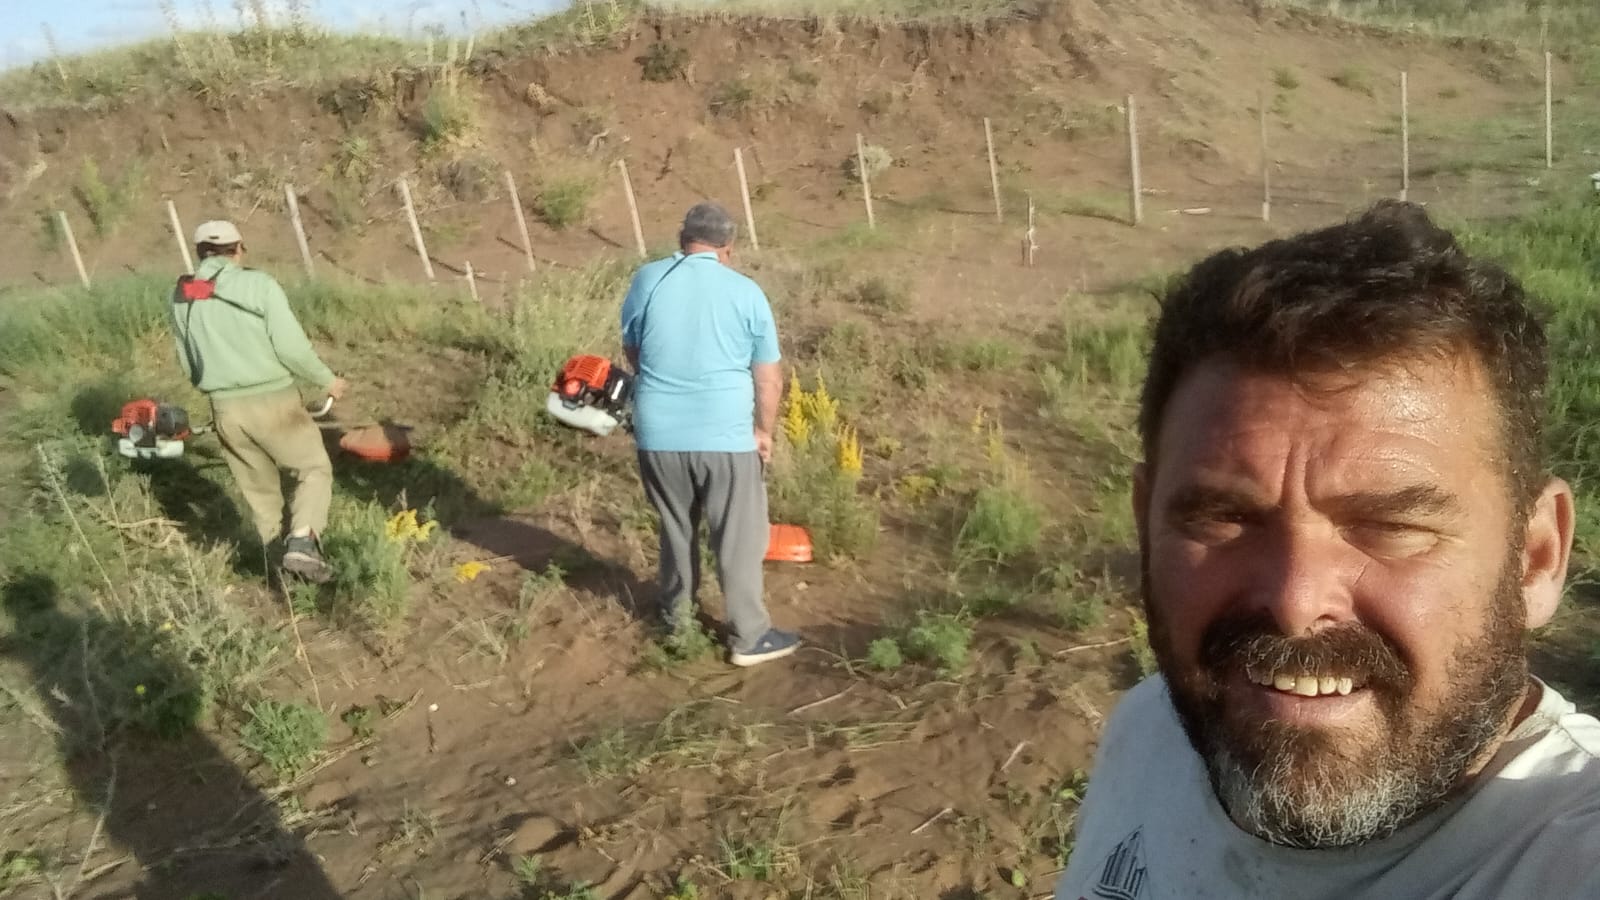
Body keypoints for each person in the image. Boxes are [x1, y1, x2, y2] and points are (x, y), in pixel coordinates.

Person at [1056, 201, 1600, 900]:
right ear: (1145, 524)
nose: (1294, 600)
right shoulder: (1149, 734)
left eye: (1391, 527)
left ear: (1536, 556)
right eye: (1224, 518)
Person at [620, 202, 798, 667]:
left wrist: (658, 389)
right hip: (725, 437)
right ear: (727, 249)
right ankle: (749, 637)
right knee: (737, 536)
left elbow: (632, 347)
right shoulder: (746, 291)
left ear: (683, 240)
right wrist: (763, 431)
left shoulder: (648, 279)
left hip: (657, 436)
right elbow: (768, 378)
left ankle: (678, 622)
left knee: (676, 529)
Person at [169, 220, 348, 583]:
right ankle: (302, 542)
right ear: (238, 249)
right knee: (313, 469)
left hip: (225, 410)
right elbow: (290, 346)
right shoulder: (258, 284)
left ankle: (283, 579)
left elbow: (187, 360)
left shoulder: (183, 294)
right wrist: (327, 380)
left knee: (262, 496)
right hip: (273, 401)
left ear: (200, 253)